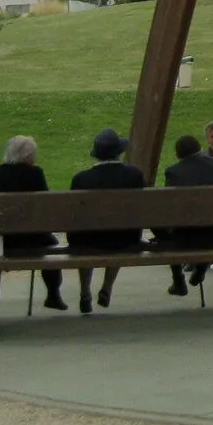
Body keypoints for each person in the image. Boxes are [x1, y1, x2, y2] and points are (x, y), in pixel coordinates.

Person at [0, 135, 65, 314]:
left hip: (4, 237)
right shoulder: (35, 173)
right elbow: (45, 205)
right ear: (28, 156)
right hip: (33, 237)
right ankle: (53, 293)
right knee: (51, 246)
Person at [68, 127, 146, 313]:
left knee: (83, 238)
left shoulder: (81, 179)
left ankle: (85, 291)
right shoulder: (134, 175)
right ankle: (107, 287)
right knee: (119, 230)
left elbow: (74, 215)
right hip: (124, 238)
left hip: (87, 240)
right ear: (118, 152)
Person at [160, 133, 213, 296]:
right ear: (199, 149)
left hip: (186, 238)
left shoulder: (174, 172)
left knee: (166, 232)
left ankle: (178, 280)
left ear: (178, 155)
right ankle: (201, 266)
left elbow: (168, 209)